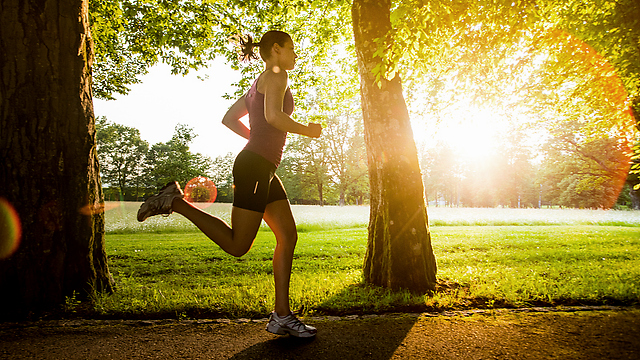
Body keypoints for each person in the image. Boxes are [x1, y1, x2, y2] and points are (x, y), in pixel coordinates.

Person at [137, 30, 322, 338]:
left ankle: (281, 316)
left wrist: (259, 140)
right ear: (276, 50)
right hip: (255, 167)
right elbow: (274, 116)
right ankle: (175, 201)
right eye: (292, 48)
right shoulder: (277, 75)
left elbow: (229, 118)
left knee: (287, 236)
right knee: (238, 245)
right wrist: (307, 130)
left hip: (261, 166)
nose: (295, 54)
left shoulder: (257, 83)